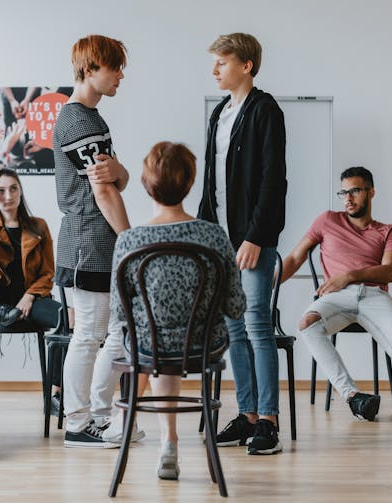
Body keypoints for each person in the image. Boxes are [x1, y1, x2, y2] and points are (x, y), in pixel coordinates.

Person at [111, 142, 246, 479]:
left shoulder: (130, 241)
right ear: (190, 182)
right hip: (203, 347)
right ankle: (168, 440)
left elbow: (118, 313)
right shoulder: (214, 236)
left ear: (145, 184)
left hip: (149, 347)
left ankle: (167, 440)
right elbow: (236, 306)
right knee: (171, 339)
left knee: (155, 342)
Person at [280, 166, 392, 423]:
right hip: (336, 297)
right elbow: (295, 257)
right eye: (343, 192)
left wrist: (349, 275)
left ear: (371, 192)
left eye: (355, 191)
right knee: (307, 323)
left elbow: (389, 272)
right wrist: (265, 287)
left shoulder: (390, 231)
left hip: (374, 296)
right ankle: (354, 397)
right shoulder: (327, 220)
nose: (348, 198)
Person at [198, 32, 287, 455]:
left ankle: (268, 420)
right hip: (221, 241)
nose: (215, 69)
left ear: (246, 65)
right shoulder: (220, 113)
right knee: (234, 330)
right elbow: (211, 184)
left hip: (252, 241)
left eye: (221, 62)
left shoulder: (265, 110)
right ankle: (247, 413)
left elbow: (274, 182)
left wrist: (255, 237)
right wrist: (203, 237)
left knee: (256, 327)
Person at [52, 34, 135, 447]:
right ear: (89, 69)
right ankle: (78, 421)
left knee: (116, 332)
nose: (121, 75)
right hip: (87, 243)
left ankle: (101, 415)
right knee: (89, 333)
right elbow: (104, 191)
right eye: (114, 67)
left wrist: (120, 170)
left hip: (102, 243)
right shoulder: (76, 121)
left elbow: (119, 177)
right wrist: (131, 240)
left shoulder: (94, 120)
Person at [0, 161, 64, 414]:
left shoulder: (38, 226)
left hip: (28, 301)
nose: (8, 196)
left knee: (70, 318)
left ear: (20, 191)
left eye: (13, 189)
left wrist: (30, 297)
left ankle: (54, 394)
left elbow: (48, 272)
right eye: (0, 190)